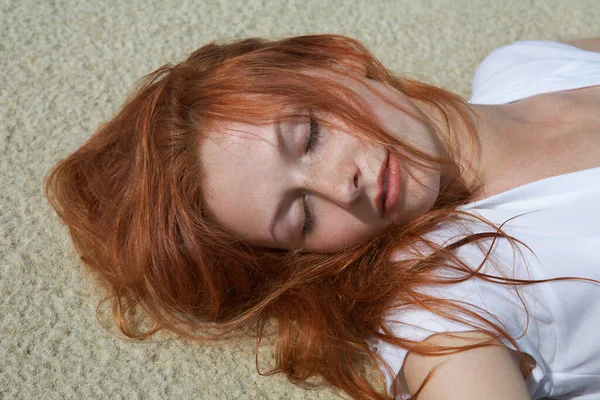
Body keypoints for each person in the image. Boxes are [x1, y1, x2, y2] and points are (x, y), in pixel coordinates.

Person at [44, 34, 600, 399]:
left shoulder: (523, 62)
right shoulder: (450, 300)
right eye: (302, 217)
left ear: (335, 62)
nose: (340, 185)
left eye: (309, 136)